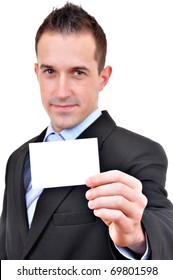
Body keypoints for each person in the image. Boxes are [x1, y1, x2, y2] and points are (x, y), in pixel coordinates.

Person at [0, 2, 173, 260]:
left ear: (103, 78)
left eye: (77, 72)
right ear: (36, 73)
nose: (61, 91)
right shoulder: (17, 159)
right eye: (49, 71)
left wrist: (138, 237)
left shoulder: (138, 153)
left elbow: (165, 229)